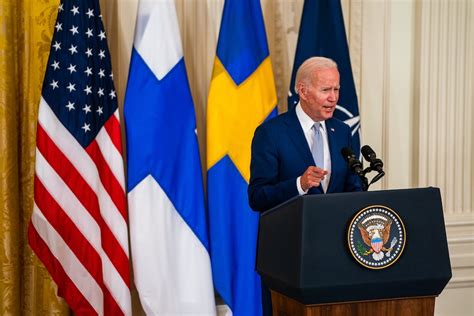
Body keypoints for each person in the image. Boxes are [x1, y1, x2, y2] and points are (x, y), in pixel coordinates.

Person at [248, 56, 362, 212]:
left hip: (334, 233)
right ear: (303, 91)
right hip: (292, 233)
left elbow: (352, 188)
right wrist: (299, 185)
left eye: (336, 89)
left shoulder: (342, 131)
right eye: (325, 90)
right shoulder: (271, 133)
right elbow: (257, 198)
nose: (333, 98)